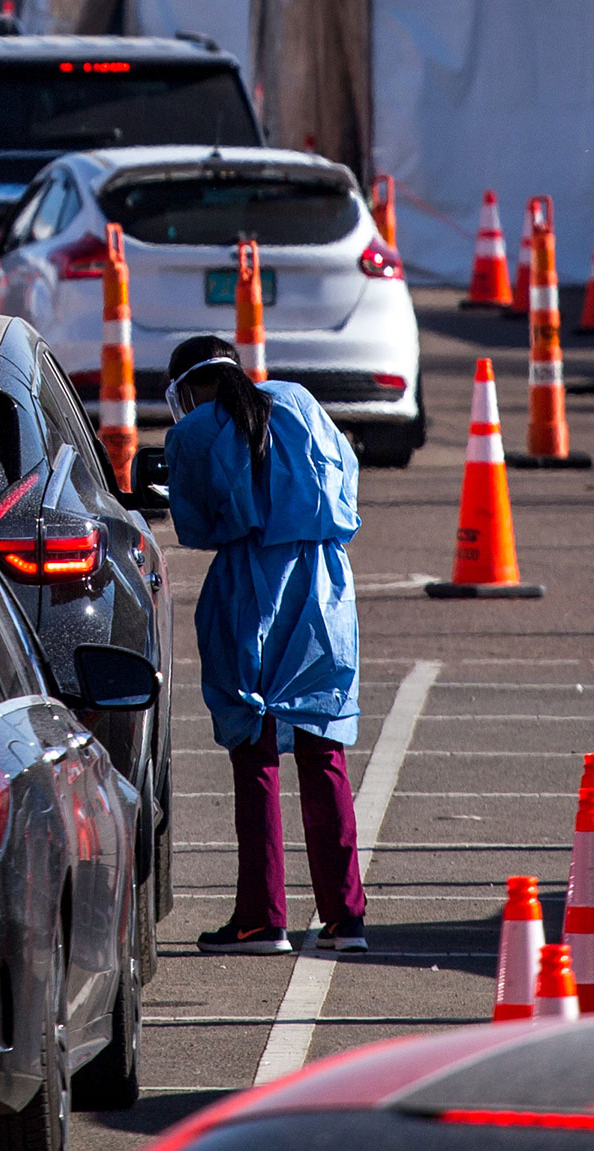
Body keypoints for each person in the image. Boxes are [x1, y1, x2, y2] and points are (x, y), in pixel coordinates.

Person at [161, 334, 369, 956]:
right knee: (323, 748)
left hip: (249, 591)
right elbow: (346, 491)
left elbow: (196, 528)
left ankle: (261, 917)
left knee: (254, 754)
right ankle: (345, 919)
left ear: (188, 387)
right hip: (324, 589)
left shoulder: (194, 431)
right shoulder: (301, 401)